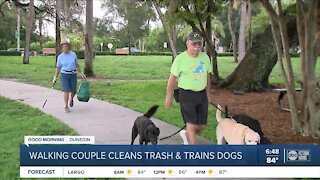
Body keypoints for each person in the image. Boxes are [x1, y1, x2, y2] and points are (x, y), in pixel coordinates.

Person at [165, 32, 212, 144]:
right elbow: (172, 79)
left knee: (201, 125)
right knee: (191, 125)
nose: (196, 47)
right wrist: (169, 97)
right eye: (194, 44)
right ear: (187, 44)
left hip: (201, 94)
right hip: (186, 95)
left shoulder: (205, 57)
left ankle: (187, 136)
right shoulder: (180, 59)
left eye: (199, 44)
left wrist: (208, 95)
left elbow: (208, 77)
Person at [53, 42, 85, 112]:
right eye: (63, 47)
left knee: (73, 91)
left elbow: (77, 64)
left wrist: (81, 73)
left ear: (69, 47)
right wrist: (55, 77)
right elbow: (58, 67)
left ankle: (71, 99)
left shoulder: (73, 54)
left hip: (73, 74)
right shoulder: (60, 57)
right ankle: (66, 106)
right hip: (64, 74)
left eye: (66, 46)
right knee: (66, 90)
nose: (64, 48)